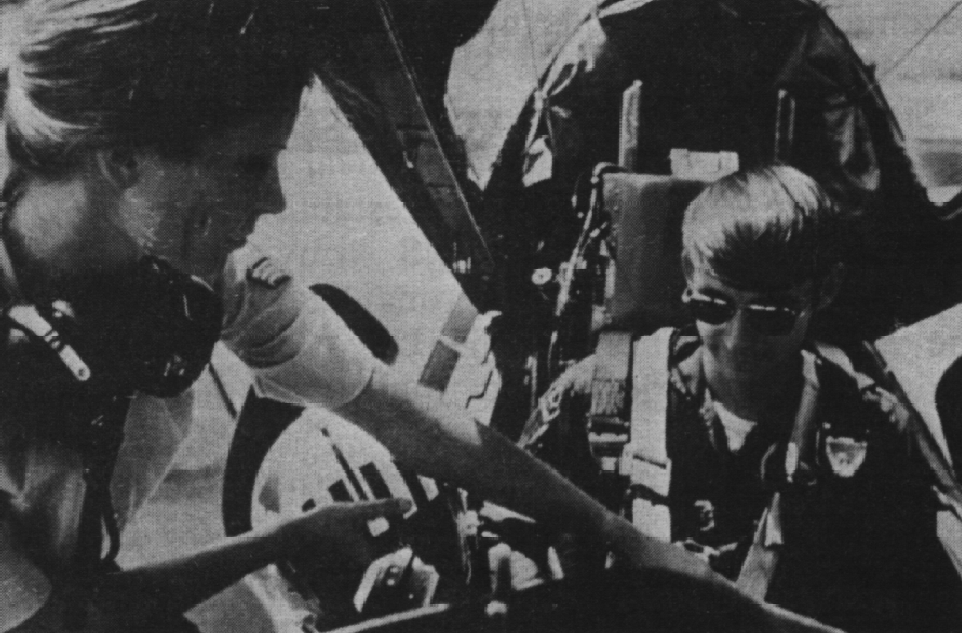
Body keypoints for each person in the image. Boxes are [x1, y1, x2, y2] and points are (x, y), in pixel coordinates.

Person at [0, 1, 840, 632]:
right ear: (123, 158)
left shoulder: (192, 270)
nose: (276, 198)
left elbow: (397, 411)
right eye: (247, 165)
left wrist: (615, 532)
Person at [521, 165, 962, 632]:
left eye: (771, 313)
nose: (736, 340)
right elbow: (511, 522)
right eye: (714, 306)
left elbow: (920, 604)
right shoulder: (598, 399)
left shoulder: (870, 427)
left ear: (825, 290)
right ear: (689, 274)